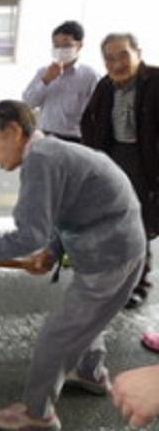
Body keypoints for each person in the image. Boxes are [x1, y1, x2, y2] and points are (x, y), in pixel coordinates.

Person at [0, 100, 146, 431]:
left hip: (109, 254)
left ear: (13, 131)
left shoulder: (40, 160)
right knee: (89, 318)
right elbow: (67, 206)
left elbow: (29, 234)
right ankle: (90, 372)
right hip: (121, 246)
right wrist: (53, 251)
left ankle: (38, 413)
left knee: (56, 337)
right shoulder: (50, 152)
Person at [81, 32, 159, 309]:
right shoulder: (105, 86)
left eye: (123, 54)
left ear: (138, 52)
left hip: (146, 161)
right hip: (113, 159)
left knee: (138, 227)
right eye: (110, 58)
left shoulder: (155, 81)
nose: (117, 63)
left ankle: (139, 285)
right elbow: (88, 122)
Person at [22, 20, 100, 142]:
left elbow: (98, 111)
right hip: (45, 135)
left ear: (79, 46)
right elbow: (28, 103)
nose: (60, 50)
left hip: (76, 138)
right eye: (56, 46)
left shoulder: (90, 76)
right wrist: (46, 80)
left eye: (66, 45)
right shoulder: (44, 72)